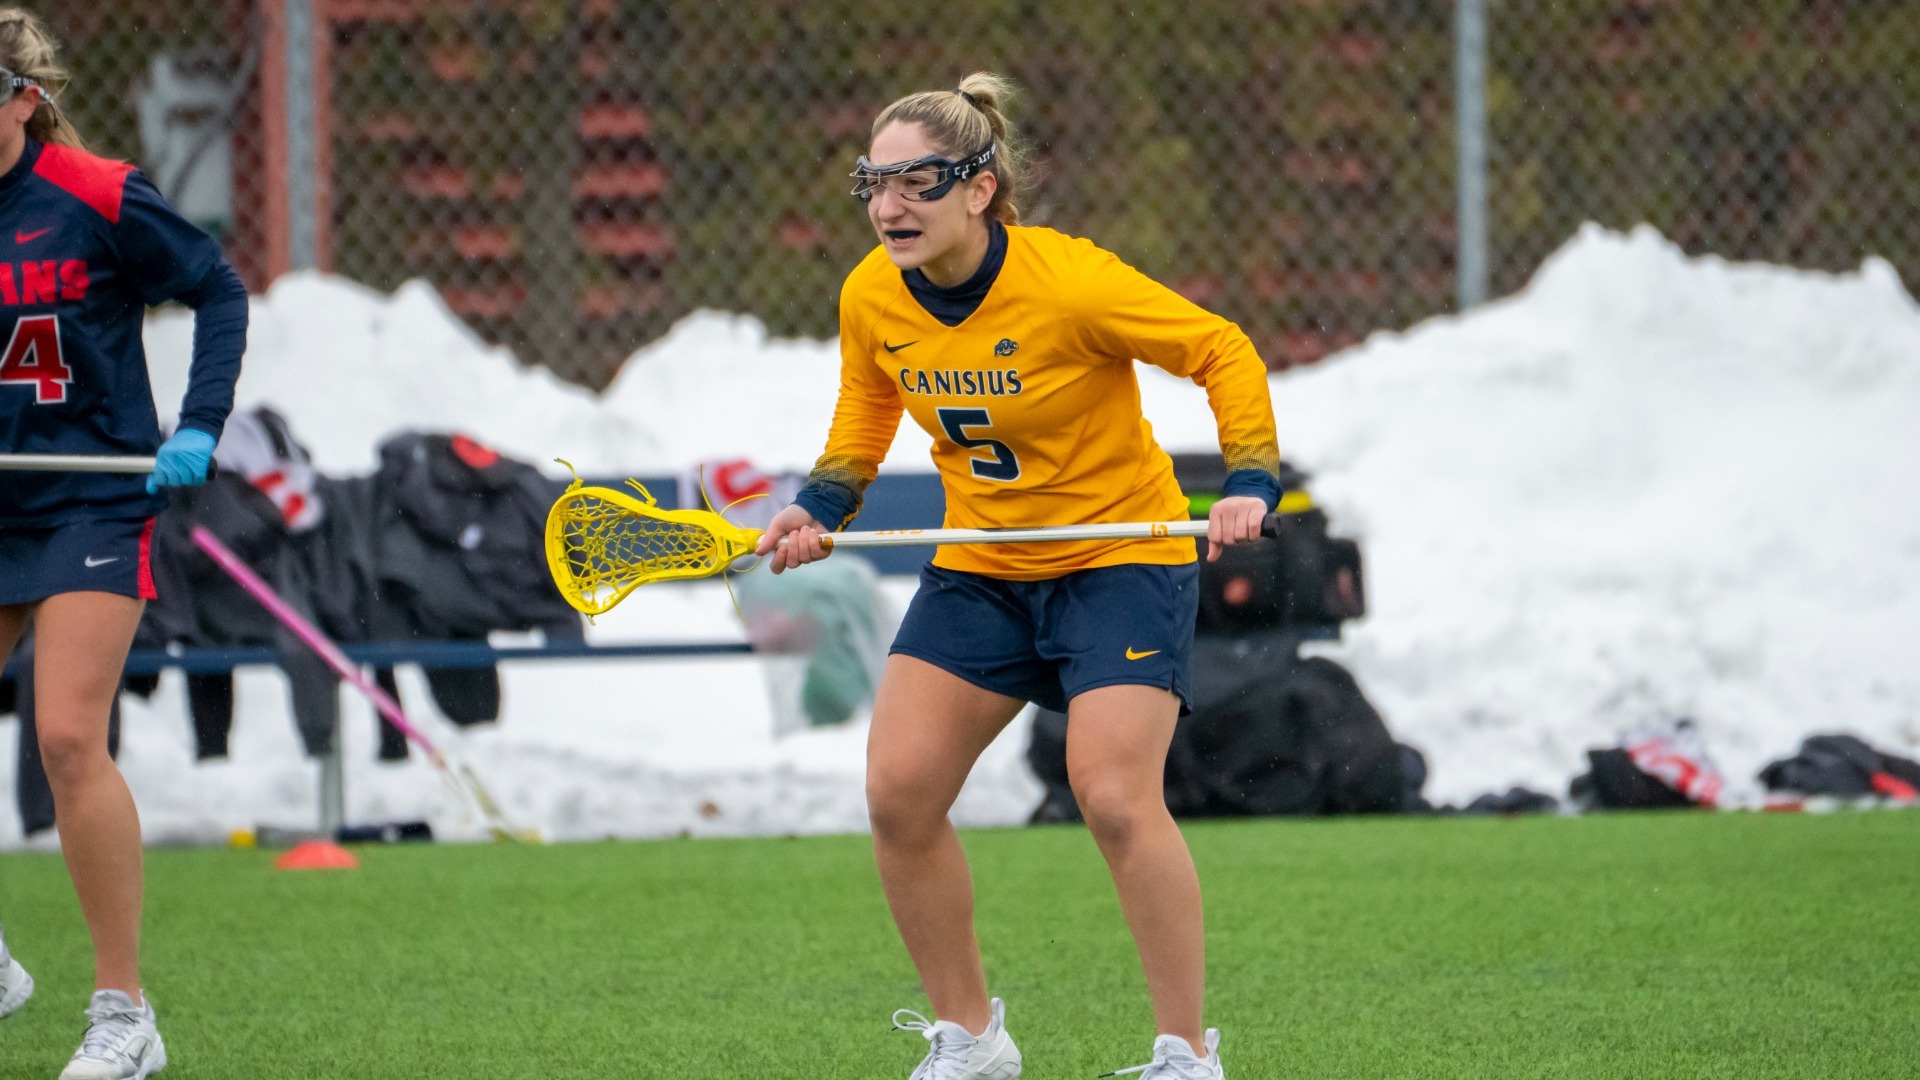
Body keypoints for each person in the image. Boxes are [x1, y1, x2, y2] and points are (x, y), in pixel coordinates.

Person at [756, 71, 1281, 1080]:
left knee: (1115, 796)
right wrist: (821, 506)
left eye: (916, 183)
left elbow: (1220, 350)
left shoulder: (1070, 281)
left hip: (1119, 558)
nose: (888, 207)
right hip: (986, 569)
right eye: (875, 182)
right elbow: (867, 406)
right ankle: (973, 1041)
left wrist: (1250, 476)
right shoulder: (871, 293)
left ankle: (1186, 1056)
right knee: (898, 794)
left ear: (979, 187)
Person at [0, 9, 247, 1077]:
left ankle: (123, 1015)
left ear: (23, 96)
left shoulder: (97, 195)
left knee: (64, 736)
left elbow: (218, 290)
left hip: (92, 505)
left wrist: (196, 425)